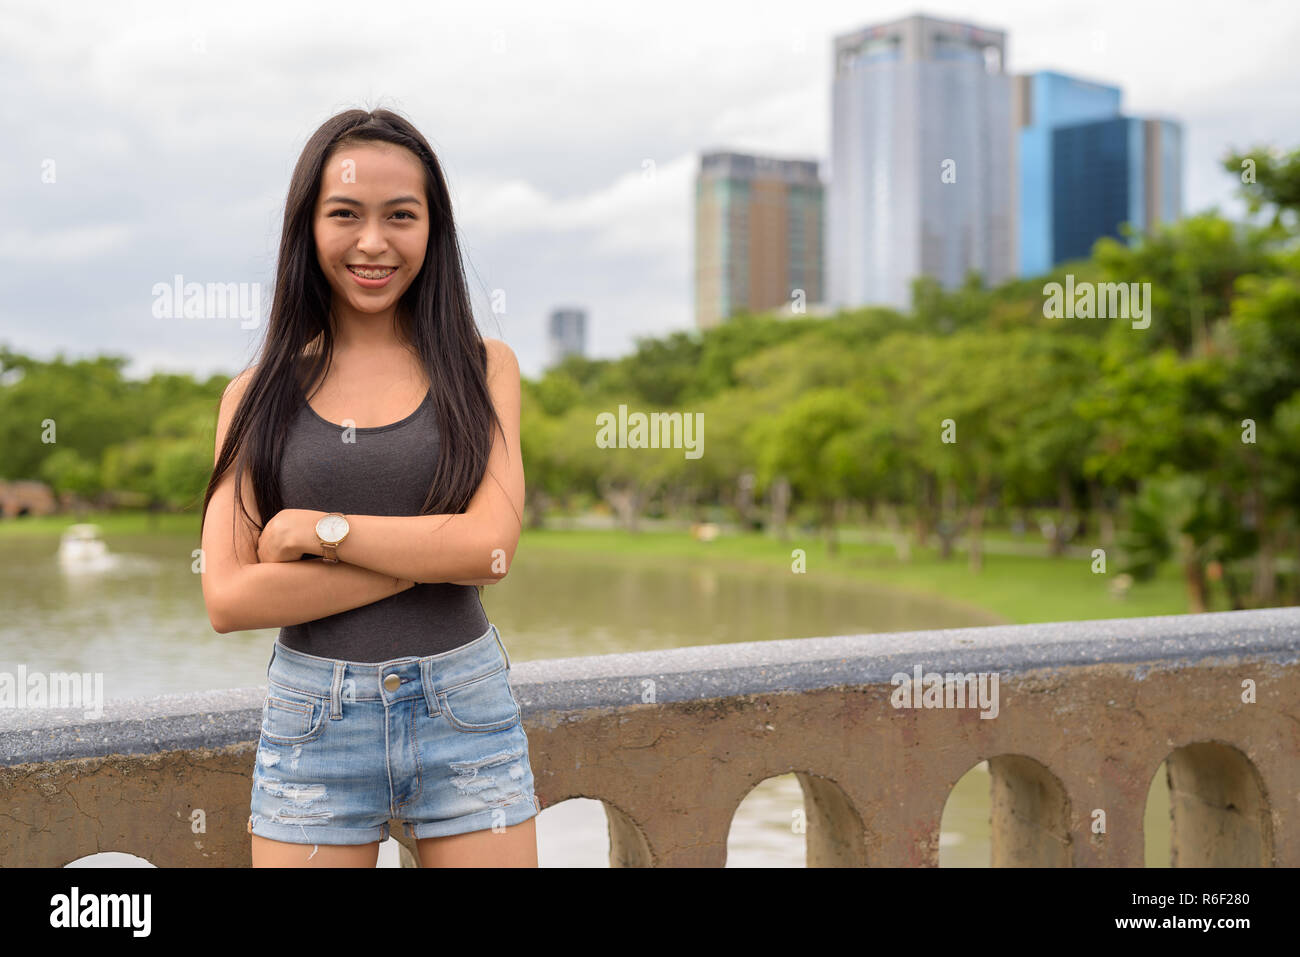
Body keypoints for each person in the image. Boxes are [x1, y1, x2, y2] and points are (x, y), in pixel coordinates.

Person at [198, 107, 537, 867]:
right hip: (313, 722)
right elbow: (229, 597)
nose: (374, 242)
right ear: (308, 228)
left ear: (432, 229)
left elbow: (489, 550)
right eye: (345, 214)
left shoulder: (485, 369)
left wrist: (319, 531)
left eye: (401, 216)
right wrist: (427, 555)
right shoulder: (253, 395)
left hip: (466, 708)